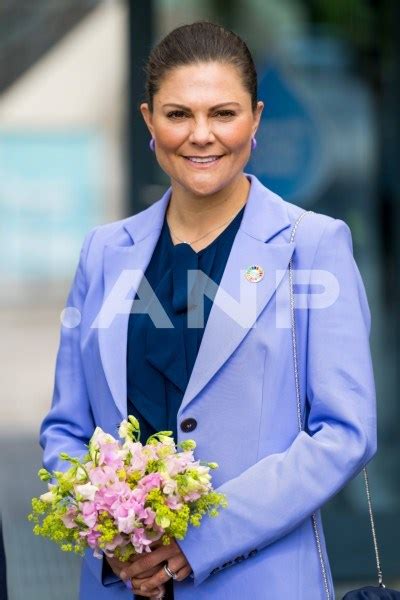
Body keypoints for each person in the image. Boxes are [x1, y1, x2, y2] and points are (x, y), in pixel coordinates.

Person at [39, 21, 377, 600]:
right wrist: (108, 529)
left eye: (223, 113)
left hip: (260, 580)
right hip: (123, 585)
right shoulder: (103, 253)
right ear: (148, 120)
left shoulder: (312, 244)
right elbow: (67, 428)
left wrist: (199, 544)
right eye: (178, 115)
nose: (201, 136)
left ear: (257, 119)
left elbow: (343, 433)